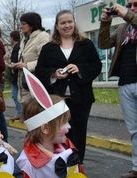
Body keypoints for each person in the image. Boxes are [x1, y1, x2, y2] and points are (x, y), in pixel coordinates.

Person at [36, 10, 101, 163]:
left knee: (78, 134)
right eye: (63, 23)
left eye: (70, 22)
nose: (67, 25)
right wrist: (54, 74)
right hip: (56, 100)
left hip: (81, 99)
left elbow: (96, 66)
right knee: (57, 133)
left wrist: (80, 70)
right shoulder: (48, 48)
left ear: (74, 23)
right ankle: (57, 165)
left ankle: (77, 166)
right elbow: (39, 71)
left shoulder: (86, 44)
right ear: (57, 26)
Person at [99, 1, 137, 178]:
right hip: (125, 83)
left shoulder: (130, 19)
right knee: (134, 130)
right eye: (129, 4)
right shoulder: (123, 28)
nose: (132, 7)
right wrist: (105, 23)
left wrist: (125, 13)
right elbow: (104, 43)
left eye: (136, 4)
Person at [15, 12, 50, 103]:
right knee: (27, 112)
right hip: (24, 82)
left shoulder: (42, 37)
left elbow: (47, 60)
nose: (21, 26)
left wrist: (27, 65)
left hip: (36, 82)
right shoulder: (24, 38)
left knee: (35, 112)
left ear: (32, 24)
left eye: (23, 24)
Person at [7, 31, 22, 120]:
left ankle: (19, 113)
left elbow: (15, 61)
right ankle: (19, 112)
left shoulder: (16, 47)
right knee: (16, 95)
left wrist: (10, 65)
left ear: (12, 38)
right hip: (16, 75)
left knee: (15, 95)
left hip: (16, 76)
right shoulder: (18, 46)